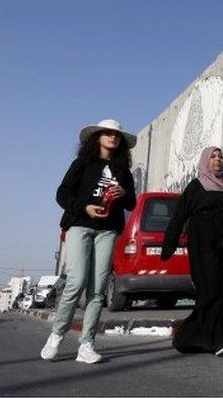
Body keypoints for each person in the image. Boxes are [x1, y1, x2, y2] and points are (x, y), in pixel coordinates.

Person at [41, 119, 137, 364]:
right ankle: (57, 334)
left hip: (107, 230)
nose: (112, 137)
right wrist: (84, 207)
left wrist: (124, 193)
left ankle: (87, 344)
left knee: (98, 289)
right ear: (98, 137)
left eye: (116, 134)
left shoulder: (122, 170)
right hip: (80, 226)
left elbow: (131, 204)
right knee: (76, 280)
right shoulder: (82, 164)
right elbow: (62, 194)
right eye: (107, 133)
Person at [161, 146, 223, 356]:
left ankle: (190, 338)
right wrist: (169, 244)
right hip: (201, 244)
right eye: (213, 157)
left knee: (217, 291)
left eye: (221, 156)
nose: (218, 160)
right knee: (211, 291)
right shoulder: (196, 187)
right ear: (205, 161)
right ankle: (217, 341)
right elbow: (179, 216)